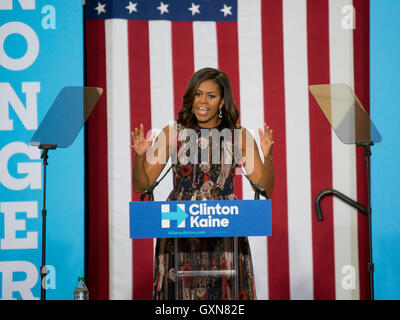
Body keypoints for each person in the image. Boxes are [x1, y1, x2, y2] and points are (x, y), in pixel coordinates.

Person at [131, 67, 274, 300]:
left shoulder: (239, 136)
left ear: (222, 101)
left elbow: (265, 187)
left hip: (225, 229)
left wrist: (268, 157)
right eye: (198, 94)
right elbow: (142, 184)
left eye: (211, 95)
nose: (203, 101)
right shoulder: (172, 133)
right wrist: (139, 157)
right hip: (179, 228)